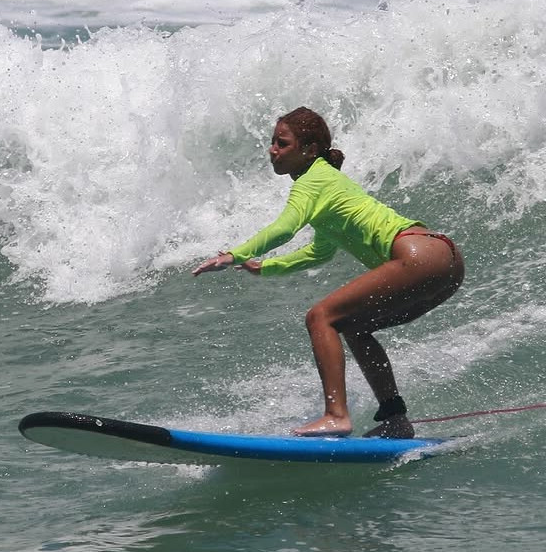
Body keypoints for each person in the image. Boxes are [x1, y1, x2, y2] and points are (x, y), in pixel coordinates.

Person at [192, 107, 464, 437]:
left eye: (282, 143)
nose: (272, 150)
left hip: (417, 254)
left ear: (309, 150)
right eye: (272, 142)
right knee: (354, 328)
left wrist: (235, 254)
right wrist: (266, 268)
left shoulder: (312, 181)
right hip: (445, 261)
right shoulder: (328, 181)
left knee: (320, 317)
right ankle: (395, 419)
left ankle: (336, 415)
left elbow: (285, 228)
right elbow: (321, 251)